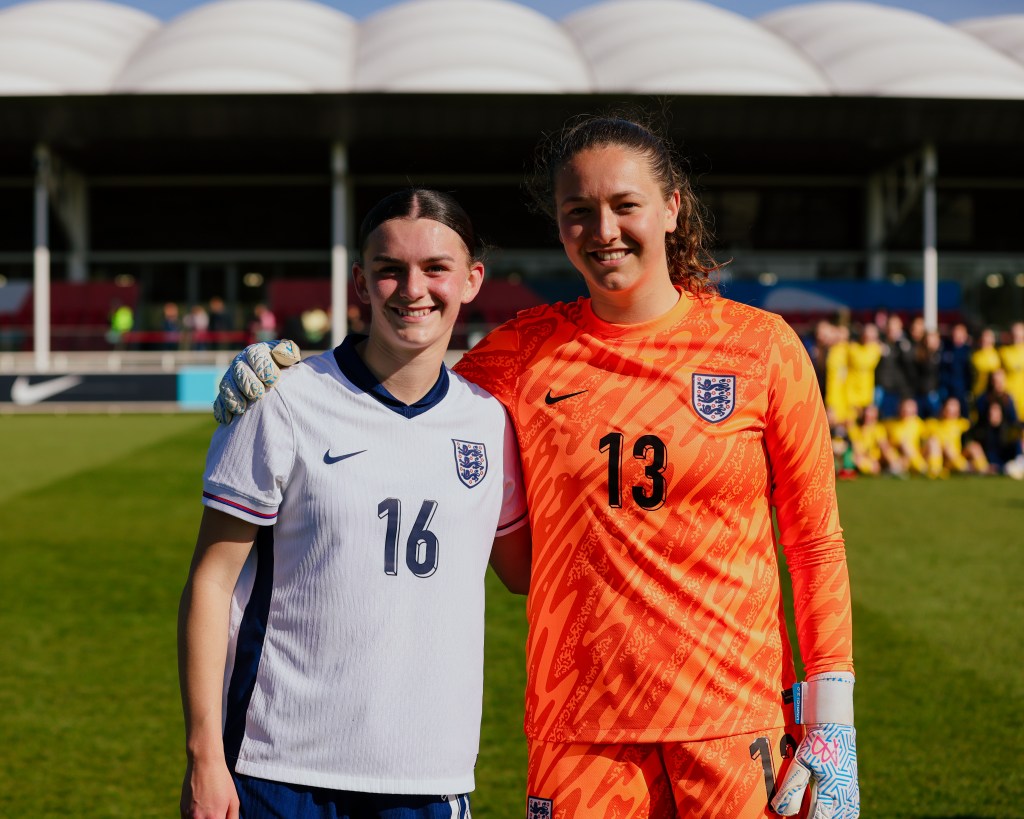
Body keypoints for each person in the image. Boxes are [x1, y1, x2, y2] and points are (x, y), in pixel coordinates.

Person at [220, 113, 859, 819]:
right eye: (578, 212)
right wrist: (291, 373)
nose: (604, 230)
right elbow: (402, 376)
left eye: (625, 206)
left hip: (734, 720)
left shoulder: (761, 348)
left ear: (672, 207)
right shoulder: (522, 353)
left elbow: (814, 541)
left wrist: (832, 714)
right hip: (579, 731)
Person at [180, 189, 531, 819]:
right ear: (360, 282)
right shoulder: (282, 400)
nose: (411, 289)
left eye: (436, 269)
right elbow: (211, 581)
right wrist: (205, 755)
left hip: (429, 772)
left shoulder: (490, 423)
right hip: (277, 766)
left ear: (473, 280)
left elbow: (523, 572)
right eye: (390, 269)